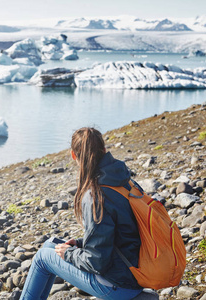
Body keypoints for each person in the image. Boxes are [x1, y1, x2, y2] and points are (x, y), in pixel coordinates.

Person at [20, 127, 144, 300]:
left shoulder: (95, 194)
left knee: (42, 258)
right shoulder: (126, 182)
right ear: (104, 150)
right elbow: (121, 232)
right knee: (50, 245)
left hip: (120, 285)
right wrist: (80, 244)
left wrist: (69, 254)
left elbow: (97, 262)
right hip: (136, 270)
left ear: (73, 155)